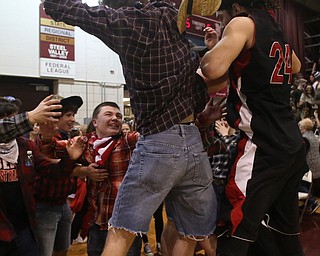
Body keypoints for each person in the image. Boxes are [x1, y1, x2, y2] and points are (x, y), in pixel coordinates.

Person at [41, 1, 224, 255]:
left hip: (159, 141)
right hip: (193, 142)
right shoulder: (175, 18)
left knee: (120, 233)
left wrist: (51, 4)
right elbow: (195, 76)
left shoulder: (127, 22)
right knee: (189, 232)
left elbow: (83, 13)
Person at [200, 0, 306, 255]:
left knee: (235, 227)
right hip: (291, 143)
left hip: (263, 146)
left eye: (222, 17)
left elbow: (211, 68)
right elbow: (296, 66)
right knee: (285, 232)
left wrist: (214, 51)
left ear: (235, 7)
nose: (222, 24)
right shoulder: (274, 27)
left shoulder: (242, 23)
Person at [0, 96, 85, 256]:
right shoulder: (33, 140)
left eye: (13, 118)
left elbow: (51, 171)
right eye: (6, 120)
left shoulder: (25, 146)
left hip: (24, 225)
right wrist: (30, 117)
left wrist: (69, 159)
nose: (11, 124)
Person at [69, 102, 143, 256]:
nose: (115, 118)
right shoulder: (86, 143)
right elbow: (51, 157)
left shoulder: (127, 141)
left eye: (119, 116)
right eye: (109, 114)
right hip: (97, 224)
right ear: (95, 122)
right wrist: (84, 170)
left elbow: (147, 136)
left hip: (124, 225)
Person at [34, 95, 83, 256]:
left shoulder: (65, 137)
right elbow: (45, 158)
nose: (72, 119)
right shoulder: (45, 139)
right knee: (44, 252)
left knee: (62, 249)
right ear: (55, 118)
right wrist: (80, 170)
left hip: (63, 204)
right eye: (68, 115)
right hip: (45, 206)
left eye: (73, 115)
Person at [298, 118, 320, 213]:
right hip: (317, 166)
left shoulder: (304, 139)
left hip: (309, 168)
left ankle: (311, 201)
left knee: (296, 180)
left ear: (304, 128)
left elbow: (302, 155)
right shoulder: (314, 137)